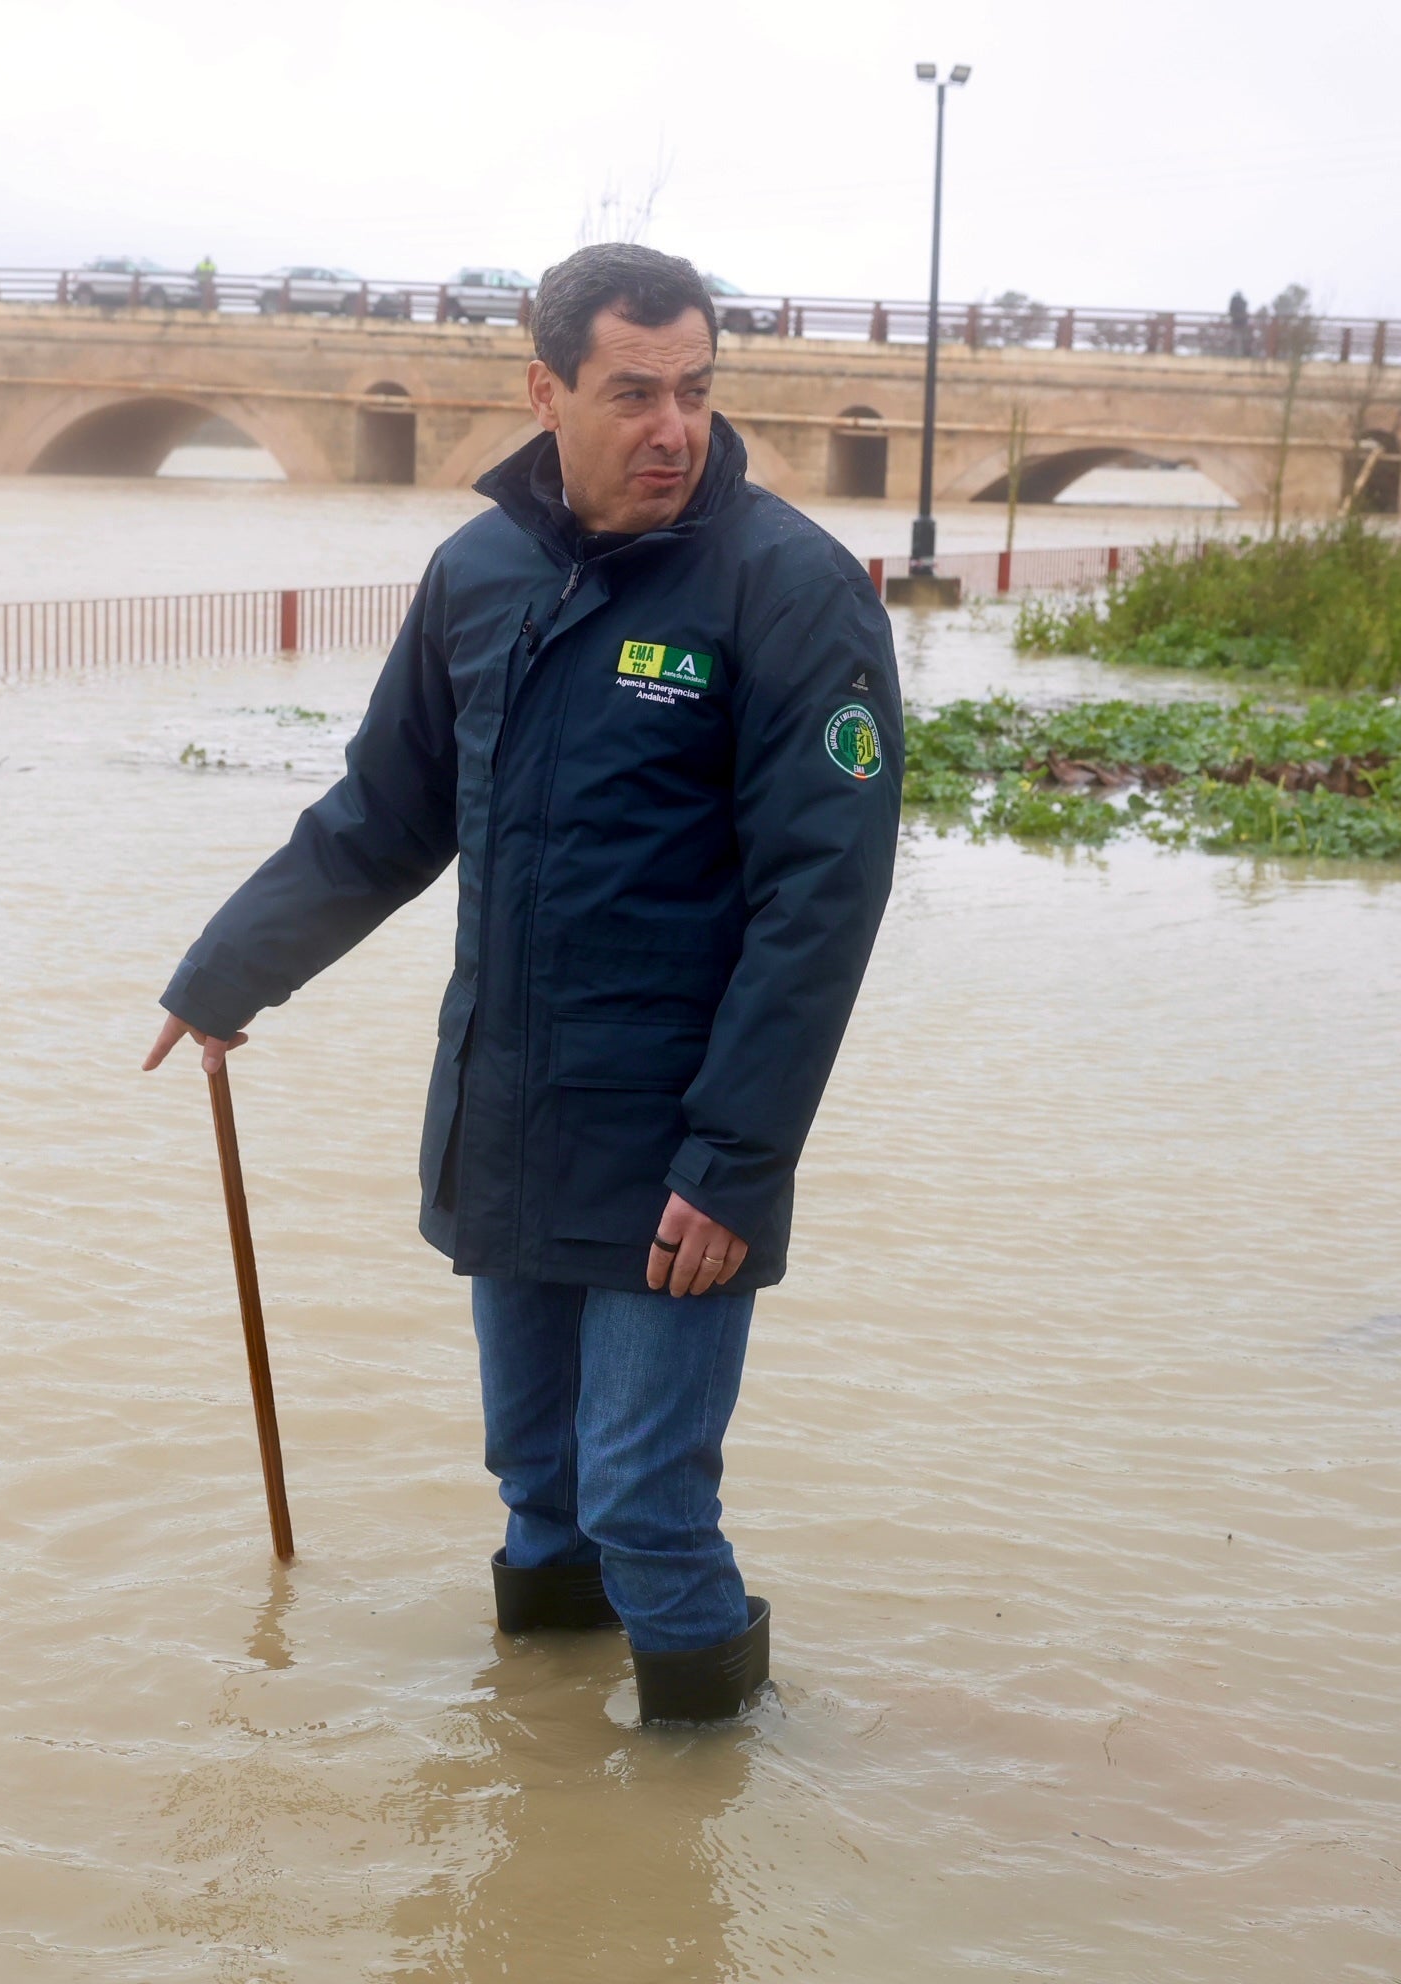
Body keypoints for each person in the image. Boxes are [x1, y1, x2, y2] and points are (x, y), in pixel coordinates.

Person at [141, 243, 901, 1723]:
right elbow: (386, 814)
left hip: (684, 1146)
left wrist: (737, 1160)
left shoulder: (788, 589)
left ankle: (700, 1813)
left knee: (644, 1502)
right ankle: (554, 1814)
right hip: (507, 1108)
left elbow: (824, 904)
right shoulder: (479, 572)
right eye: (633, 392)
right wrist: (230, 972)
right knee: (537, 1481)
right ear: (545, 388)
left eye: (693, 390)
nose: (671, 427)